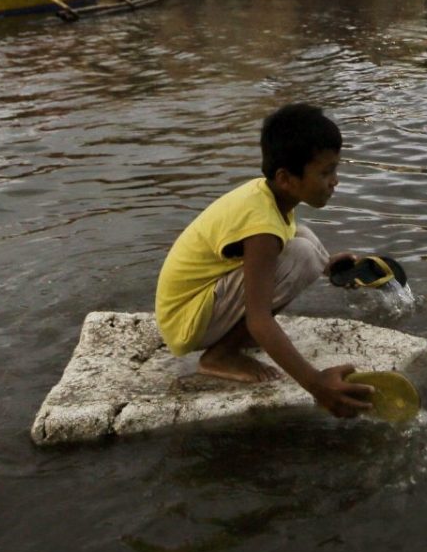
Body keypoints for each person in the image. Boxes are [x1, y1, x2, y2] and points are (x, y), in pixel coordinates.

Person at [154, 103, 375, 418]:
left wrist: (328, 266)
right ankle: (221, 355)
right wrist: (316, 384)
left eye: (335, 170)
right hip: (187, 319)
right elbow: (260, 318)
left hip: (195, 306)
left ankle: (231, 340)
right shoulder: (261, 223)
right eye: (326, 172)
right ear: (286, 178)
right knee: (302, 255)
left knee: (305, 240)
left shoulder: (270, 195)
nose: (335, 181)